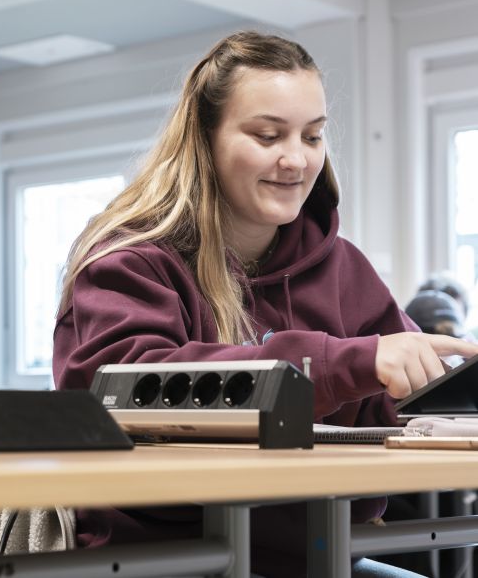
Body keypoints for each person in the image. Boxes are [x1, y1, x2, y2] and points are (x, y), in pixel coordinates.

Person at [53, 30, 478, 578]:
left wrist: (438, 392)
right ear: (204, 139)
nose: (297, 160)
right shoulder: (129, 260)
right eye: (268, 135)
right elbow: (127, 386)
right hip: (163, 559)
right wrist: (341, 364)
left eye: (313, 136)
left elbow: (393, 404)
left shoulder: (342, 266)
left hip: (313, 556)